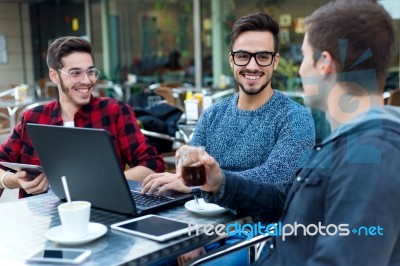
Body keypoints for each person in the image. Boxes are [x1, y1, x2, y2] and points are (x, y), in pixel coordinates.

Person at [177, 0, 400, 265]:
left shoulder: (371, 157)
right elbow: (286, 197)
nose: (301, 68)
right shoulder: (349, 144)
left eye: (304, 56)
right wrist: (220, 182)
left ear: (324, 64)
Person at [142, 12, 315, 195]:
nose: (252, 66)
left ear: (275, 62)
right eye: (243, 56)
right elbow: (190, 168)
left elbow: (278, 176)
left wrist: (206, 182)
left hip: (261, 222)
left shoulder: (295, 118)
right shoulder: (212, 115)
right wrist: (183, 171)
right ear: (232, 60)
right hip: (199, 217)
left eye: (263, 57)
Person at [0, 36, 165, 198]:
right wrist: (13, 180)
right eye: (75, 73)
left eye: (90, 71)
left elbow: (151, 164)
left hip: (102, 212)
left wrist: (101, 184)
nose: (87, 80)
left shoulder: (114, 111)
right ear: (54, 76)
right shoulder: (33, 118)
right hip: (40, 219)